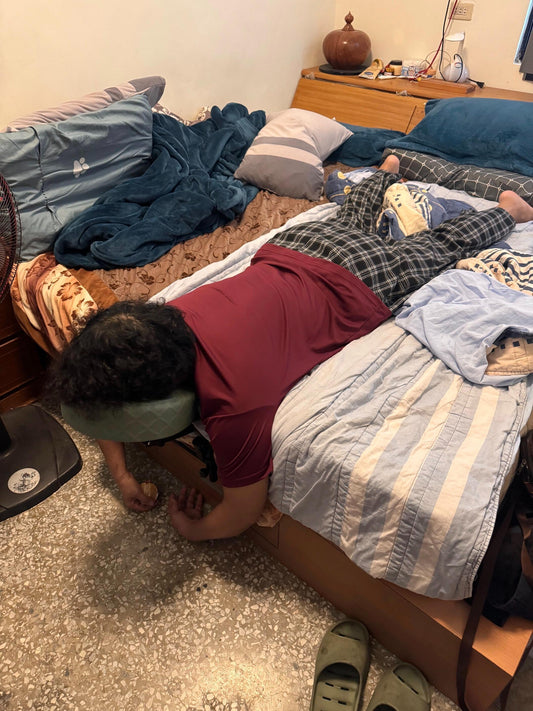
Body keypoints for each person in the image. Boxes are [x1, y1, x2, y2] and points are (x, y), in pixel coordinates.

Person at [49, 155, 533, 542]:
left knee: (436, 248)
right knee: (351, 217)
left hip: (354, 283)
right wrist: (122, 475)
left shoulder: (233, 404)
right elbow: (104, 384)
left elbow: (241, 512)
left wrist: (192, 529)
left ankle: (510, 211)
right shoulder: (168, 314)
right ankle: (386, 172)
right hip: (295, 247)